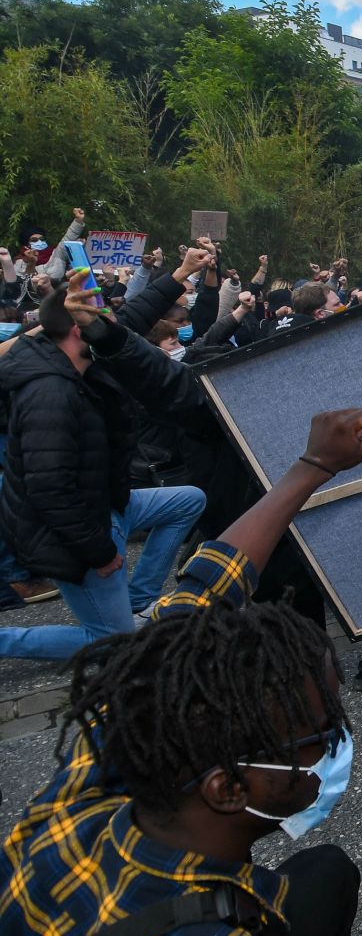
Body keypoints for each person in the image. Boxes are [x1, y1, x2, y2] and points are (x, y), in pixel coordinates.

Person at [0, 407, 362, 936]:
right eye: (321, 734)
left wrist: (315, 465)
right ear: (226, 789)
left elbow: (194, 605)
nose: (334, 747)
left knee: (323, 873)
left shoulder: (79, 793)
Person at [0, 276, 207, 660]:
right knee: (117, 645)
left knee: (187, 500)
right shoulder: (50, 393)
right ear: (80, 331)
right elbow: (50, 491)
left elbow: (130, 322)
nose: (112, 327)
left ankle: (134, 601)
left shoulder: (77, 366)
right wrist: (99, 552)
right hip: (75, 527)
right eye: (102, 321)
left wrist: (180, 274)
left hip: (106, 504)